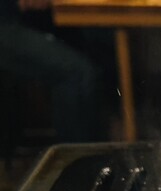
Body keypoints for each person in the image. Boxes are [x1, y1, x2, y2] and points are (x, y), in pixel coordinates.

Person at [0, 0, 102, 143]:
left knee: (95, 41)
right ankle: (74, 150)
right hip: (5, 23)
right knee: (77, 73)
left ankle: (97, 143)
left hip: (18, 19)